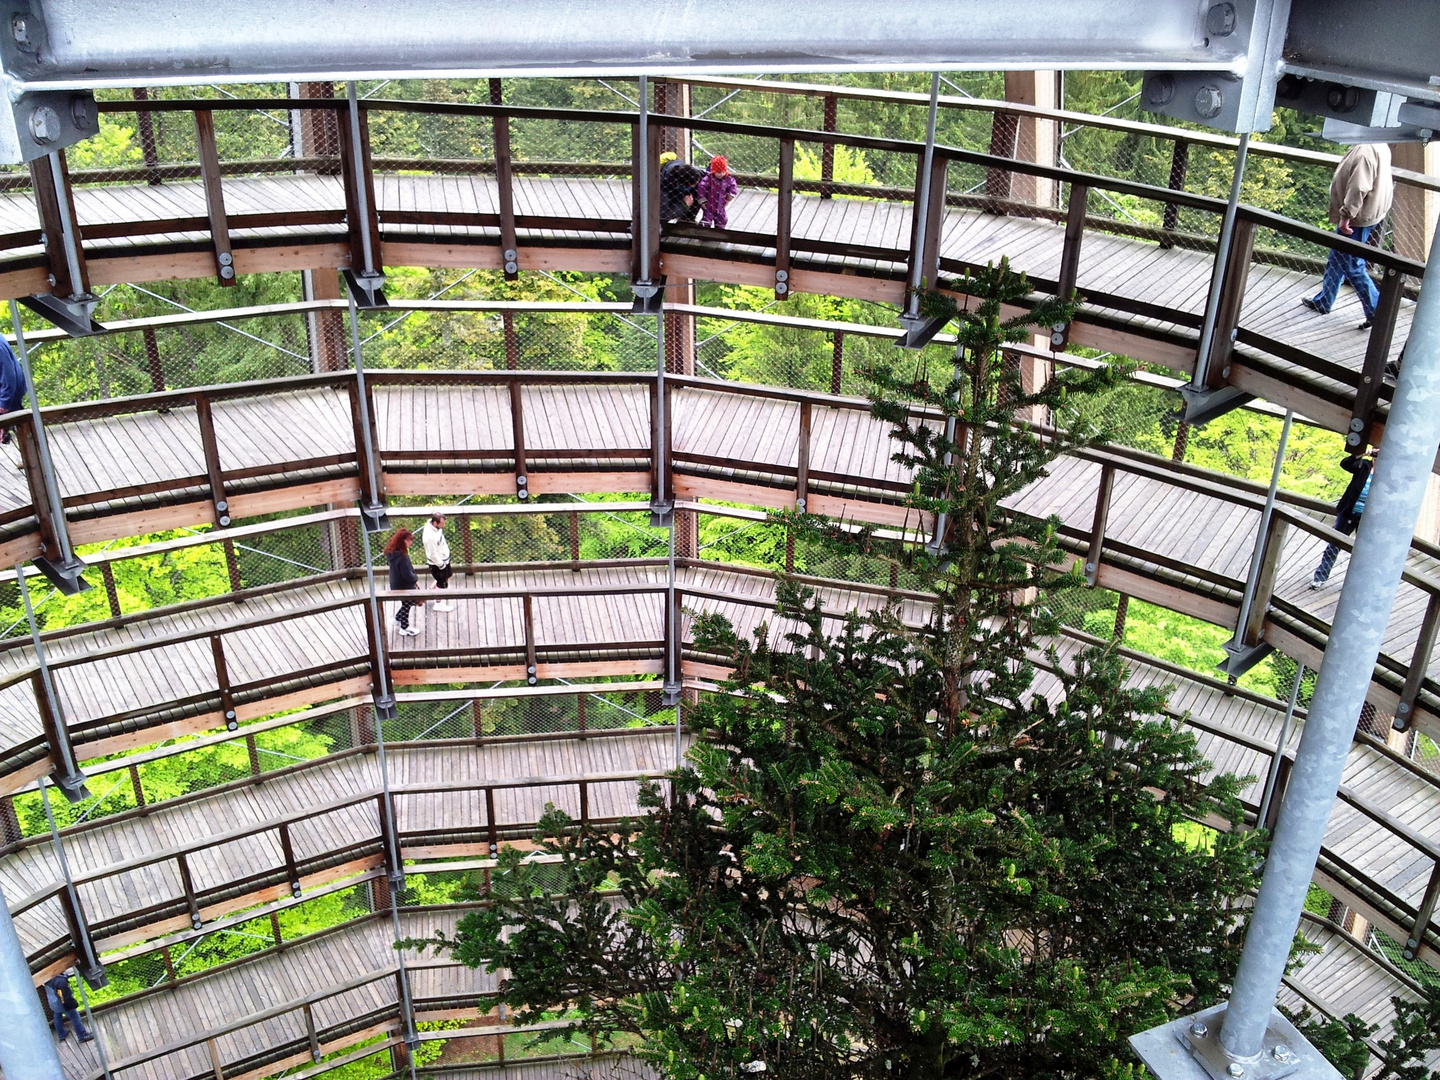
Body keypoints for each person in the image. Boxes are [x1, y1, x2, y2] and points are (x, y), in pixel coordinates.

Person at [1300, 142, 1393, 330]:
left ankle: (1377, 313)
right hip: (1369, 212)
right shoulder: (1380, 142)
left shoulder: (1365, 150)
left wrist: (1346, 216)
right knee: (1337, 257)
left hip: (1357, 218)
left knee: (1352, 265)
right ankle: (1324, 301)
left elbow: (1359, 187)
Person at [1310, 449, 1376, 588]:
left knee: (1363, 550)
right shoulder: (1364, 465)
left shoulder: (1386, 474)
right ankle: (1320, 577)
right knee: (1334, 544)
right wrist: (1361, 453)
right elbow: (1346, 464)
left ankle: (1356, 585)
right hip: (1349, 511)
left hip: (1368, 517)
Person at [384, 527, 420, 636]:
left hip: (395, 583)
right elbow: (407, 574)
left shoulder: (393, 553)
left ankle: (397, 619)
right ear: (403, 541)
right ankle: (404, 627)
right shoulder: (402, 557)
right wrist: (415, 578)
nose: (411, 542)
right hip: (404, 585)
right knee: (408, 603)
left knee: (407, 603)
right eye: (409, 540)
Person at [44, 972, 93, 1043]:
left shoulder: (46, 978)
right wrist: (73, 1004)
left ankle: (61, 1034)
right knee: (75, 1017)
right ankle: (82, 1035)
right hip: (63, 1004)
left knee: (57, 1016)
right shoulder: (61, 981)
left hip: (53, 1003)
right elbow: (66, 997)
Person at [421, 512, 455, 613]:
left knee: (447, 575)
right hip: (438, 564)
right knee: (442, 584)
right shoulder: (430, 537)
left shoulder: (435, 529)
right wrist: (441, 565)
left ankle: (430, 592)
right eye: (442, 524)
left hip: (444, 559)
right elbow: (432, 554)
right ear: (435, 523)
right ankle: (438, 604)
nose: (443, 526)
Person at [695, 155, 738, 229]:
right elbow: (701, 188)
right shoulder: (708, 179)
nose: (721, 174)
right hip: (709, 204)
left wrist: (729, 197)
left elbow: (733, 186)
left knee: (722, 219)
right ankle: (703, 232)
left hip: (721, 203)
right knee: (706, 219)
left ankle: (719, 232)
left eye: (723, 172)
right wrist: (702, 200)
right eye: (718, 172)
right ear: (714, 171)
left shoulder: (728, 178)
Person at [658, 151, 702, 224]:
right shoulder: (664, 187)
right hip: (671, 193)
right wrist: (684, 205)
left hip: (678, 191)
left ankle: (687, 220)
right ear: (684, 186)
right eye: (694, 184)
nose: (697, 184)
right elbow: (662, 216)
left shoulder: (690, 171)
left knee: (700, 189)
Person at [0, 336, 26, 445]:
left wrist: (4, 403)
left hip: (9, 395)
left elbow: (8, 375)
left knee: (21, 425)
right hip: (9, 394)